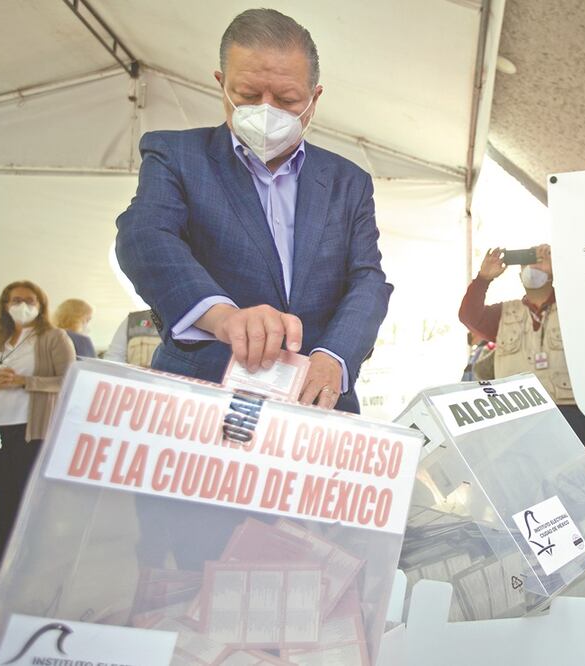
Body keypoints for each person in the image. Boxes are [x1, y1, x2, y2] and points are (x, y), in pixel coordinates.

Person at [115, 9, 390, 568]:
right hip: (208, 412)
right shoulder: (175, 154)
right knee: (205, 577)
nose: (267, 112)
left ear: (315, 97)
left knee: (319, 580)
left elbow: (368, 279)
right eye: (247, 93)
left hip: (317, 411)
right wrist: (221, 314)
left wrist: (333, 357)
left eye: (286, 99)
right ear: (221, 85)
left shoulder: (347, 182)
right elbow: (144, 234)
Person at [0, 281, 74, 593]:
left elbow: (70, 379)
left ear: (40, 304)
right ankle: (8, 565)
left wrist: (24, 381)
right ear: (5, 304)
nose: (21, 305)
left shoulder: (52, 338)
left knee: (20, 498)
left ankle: (4, 566)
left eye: (28, 300)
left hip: (31, 429)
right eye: (15, 300)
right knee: (4, 497)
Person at [459, 245, 585, 444]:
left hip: (567, 416)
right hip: (515, 418)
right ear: (520, 275)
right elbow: (469, 316)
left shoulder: (575, 308)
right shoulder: (504, 313)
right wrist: (483, 278)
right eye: (528, 260)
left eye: (542, 260)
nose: (534, 265)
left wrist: (565, 262)